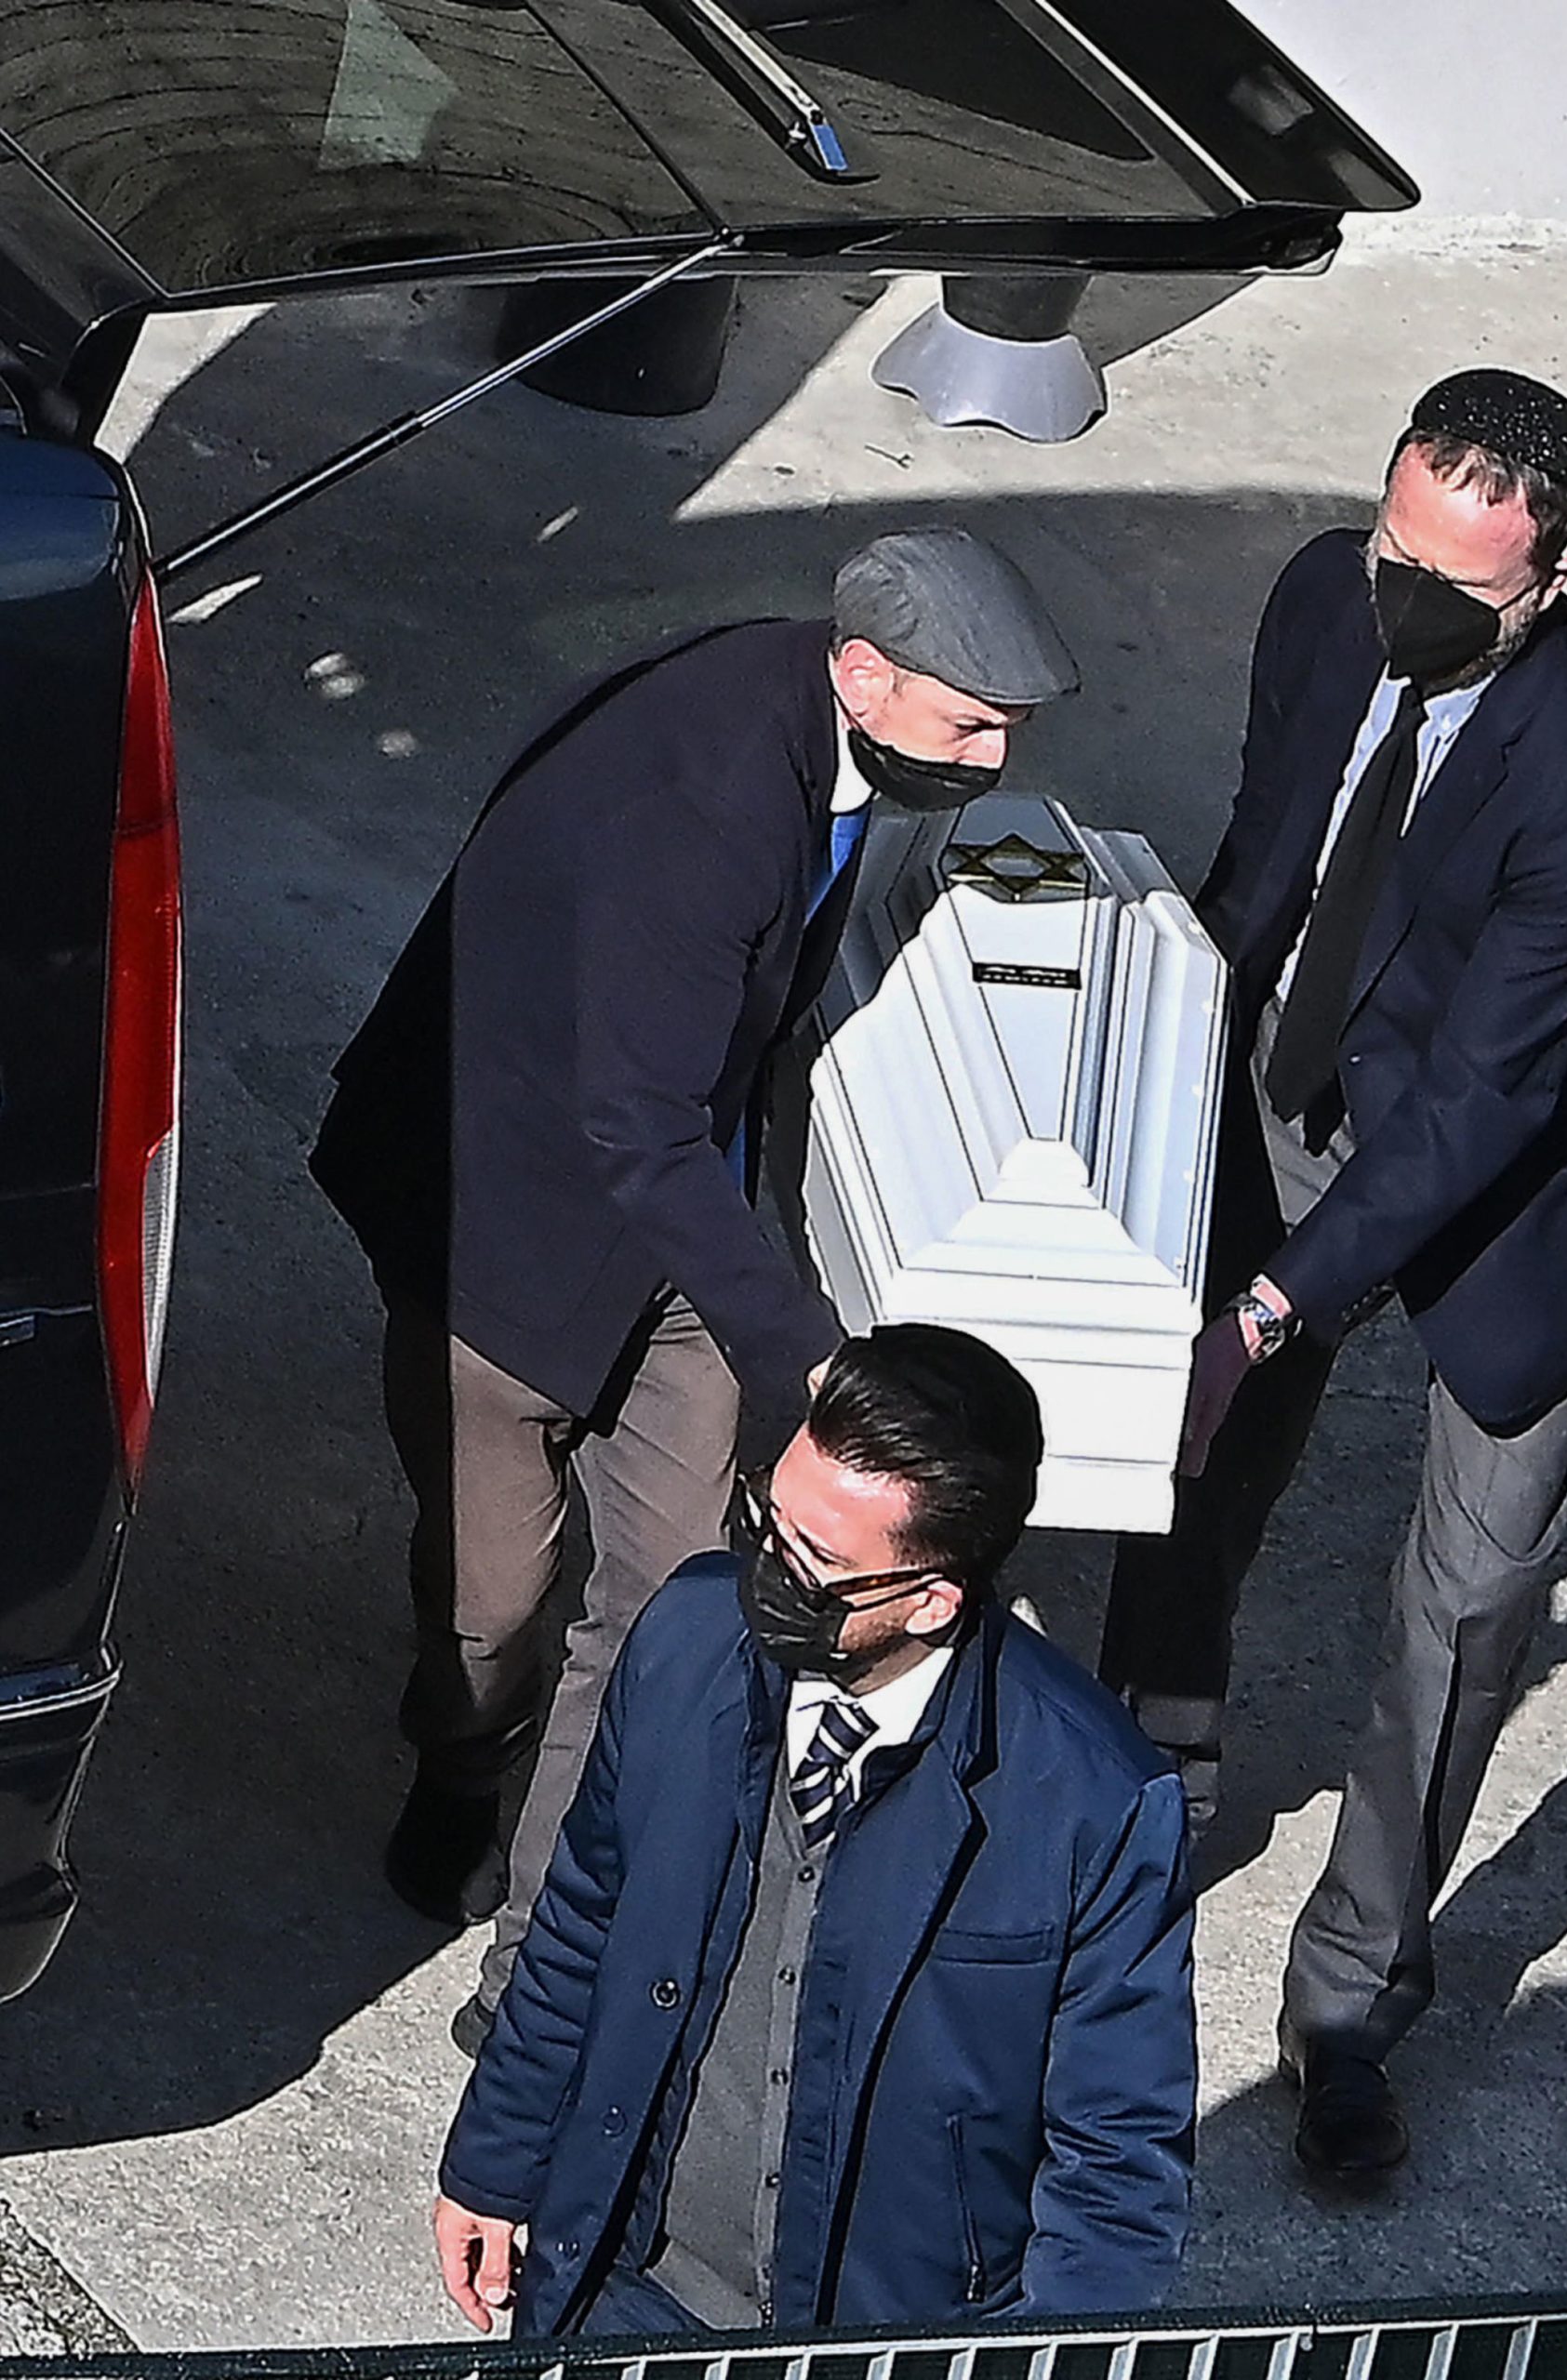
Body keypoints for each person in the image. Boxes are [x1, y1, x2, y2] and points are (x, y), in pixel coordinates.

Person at [309, 527, 1080, 2035]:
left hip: (672, 1231)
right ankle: (462, 1762)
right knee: (492, 1609)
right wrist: (811, 1364)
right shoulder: (708, 813)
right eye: (971, 721)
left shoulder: (801, 711)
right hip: (509, 1234)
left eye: (1011, 725)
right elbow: (637, 1123)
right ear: (862, 674)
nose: (993, 757)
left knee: (666, 1619)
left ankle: (539, 1961)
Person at [1098, 370, 1567, 2187]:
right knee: (1185, 1462)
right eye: (1385, 550)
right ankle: (1149, 1794)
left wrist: (1271, 1309)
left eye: (1447, 583)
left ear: (1545, 578)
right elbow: (1262, 855)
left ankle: (1349, 1999)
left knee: (1465, 1606)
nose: (1394, 601)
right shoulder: (1311, 601)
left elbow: (1482, 1098)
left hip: (1502, 1195)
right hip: (1289, 1089)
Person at [433, 1326, 1194, 2339]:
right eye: (767, 1519)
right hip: (613, 2279)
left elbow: (1115, 2162)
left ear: (932, 1599)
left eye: (818, 1561)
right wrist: (494, 2158)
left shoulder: (1094, 1803)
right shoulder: (684, 1642)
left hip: (872, 2337)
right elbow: (579, 1924)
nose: (768, 1575)